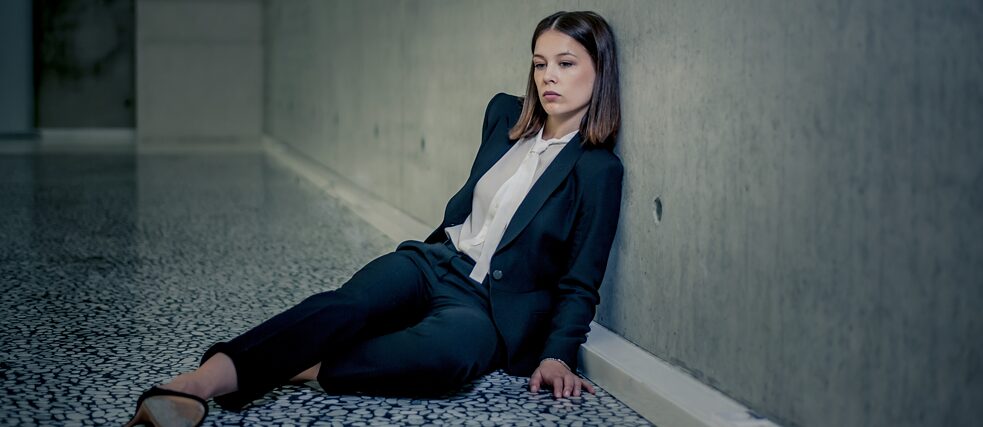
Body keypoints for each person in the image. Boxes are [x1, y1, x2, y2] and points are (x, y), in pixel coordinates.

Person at [126, 10, 623, 427]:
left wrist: (558, 352)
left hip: (489, 307)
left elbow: (581, 279)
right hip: (435, 262)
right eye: (539, 64)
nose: (548, 76)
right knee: (345, 308)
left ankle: (301, 365)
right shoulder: (504, 117)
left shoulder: (597, 170)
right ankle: (194, 385)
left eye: (565, 63)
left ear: (599, 70)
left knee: (447, 359)